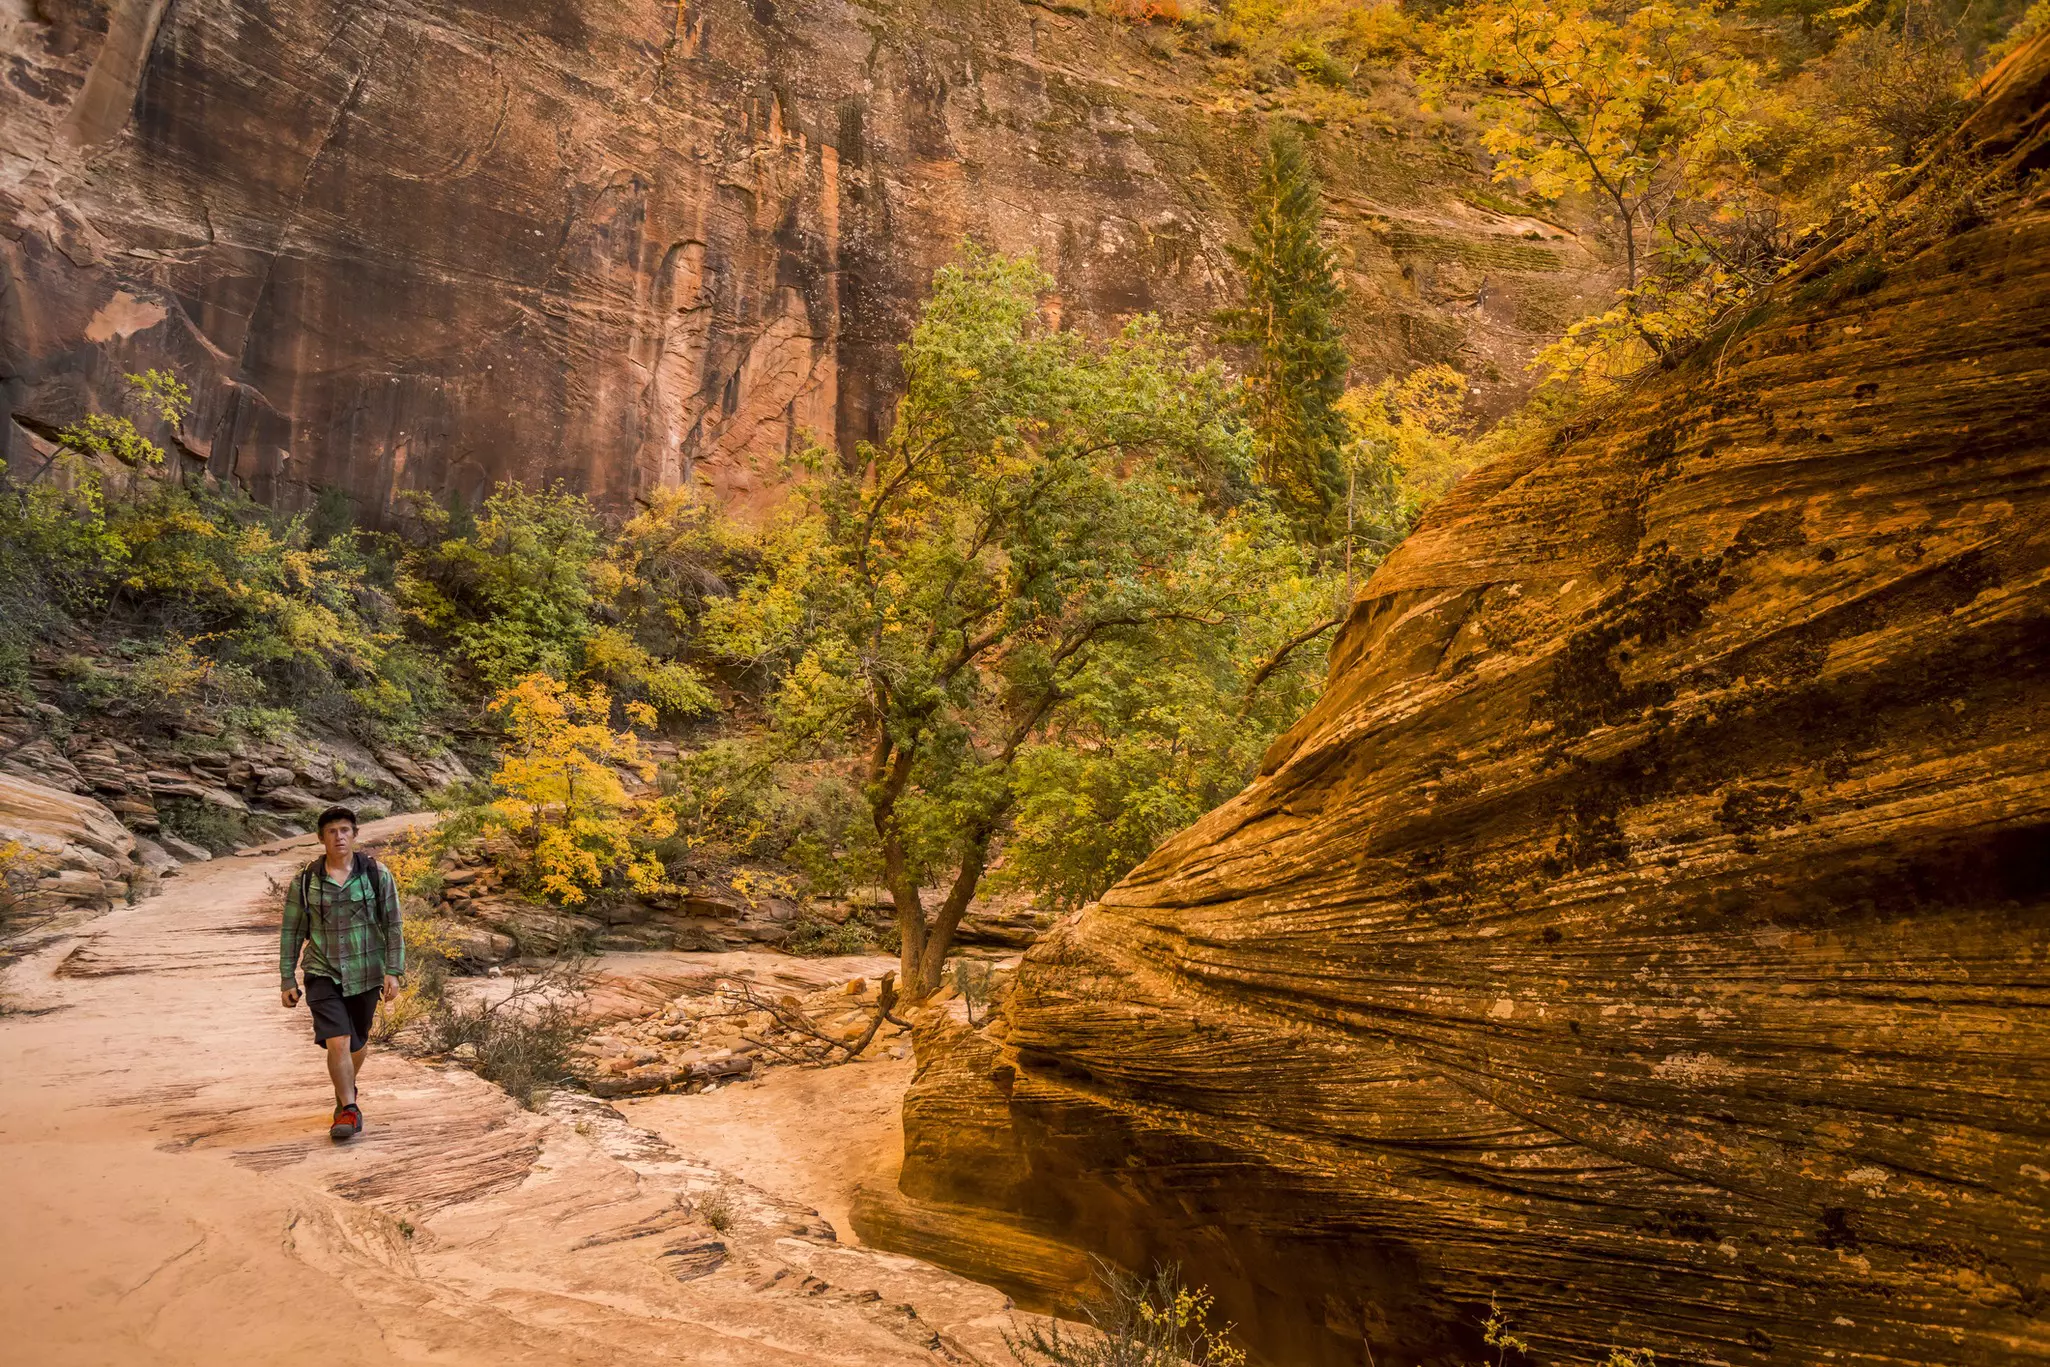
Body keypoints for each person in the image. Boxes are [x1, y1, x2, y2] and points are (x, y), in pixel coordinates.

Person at [279, 805, 404, 1142]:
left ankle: (343, 1092)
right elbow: (291, 931)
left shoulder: (377, 875)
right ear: (321, 838)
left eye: (345, 830)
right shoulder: (305, 881)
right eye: (332, 831)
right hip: (322, 970)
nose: (339, 836)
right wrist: (287, 978)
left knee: (356, 1042)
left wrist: (394, 971)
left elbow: (392, 925)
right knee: (339, 1039)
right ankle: (348, 1109)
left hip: (366, 971)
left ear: (355, 835)